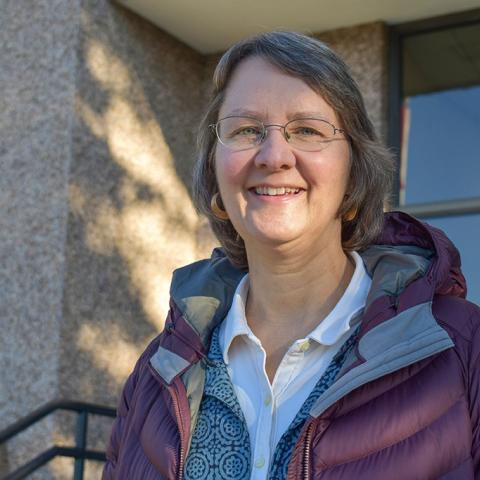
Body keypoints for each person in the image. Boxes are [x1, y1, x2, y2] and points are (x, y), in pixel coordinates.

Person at [103, 32, 480, 480]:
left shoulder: (464, 351)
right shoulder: (157, 373)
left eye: (307, 130)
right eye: (246, 130)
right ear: (215, 174)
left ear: (354, 174)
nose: (274, 155)